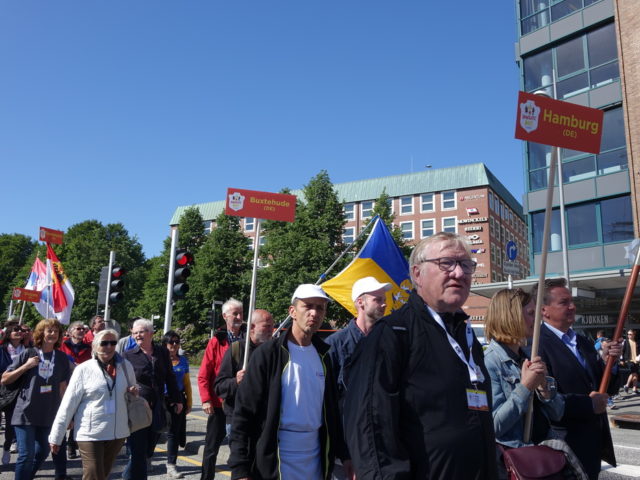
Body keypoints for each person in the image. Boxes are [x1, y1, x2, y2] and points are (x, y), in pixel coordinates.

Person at [344, 232, 497, 479]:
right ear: (417, 274)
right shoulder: (392, 335)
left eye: (466, 264)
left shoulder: (466, 338)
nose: (459, 273)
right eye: (447, 263)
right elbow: (371, 430)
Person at [229, 284, 352, 480]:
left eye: (320, 308)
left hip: (316, 462)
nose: (314, 313)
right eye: (308, 306)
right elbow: (244, 413)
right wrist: (240, 469)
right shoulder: (268, 355)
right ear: (292, 311)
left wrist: (345, 455)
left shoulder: (325, 356)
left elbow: (332, 413)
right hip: (276, 462)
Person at [534, 278, 622, 480]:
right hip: (562, 448)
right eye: (564, 302)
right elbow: (547, 402)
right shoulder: (537, 345)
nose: (572, 306)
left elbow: (606, 388)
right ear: (544, 310)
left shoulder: (583, 342)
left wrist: (610, 363)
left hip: (591, 445)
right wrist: (589, 404)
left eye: (572, 301)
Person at [484, 288, 564, 476]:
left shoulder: (529, 356)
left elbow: (558, 412)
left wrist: (544, 388)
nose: (537, 319)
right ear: (510, 317)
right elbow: (493, 427)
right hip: (514, 462)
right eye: (530, 313)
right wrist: (525, 387)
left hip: (541, 455)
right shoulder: (490, 363)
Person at [48, 329, 138, 480]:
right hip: (90, 433)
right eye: (104, 343)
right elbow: (68, 404)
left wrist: (133, 391)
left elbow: (133, 390)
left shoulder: (125, 366)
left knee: (102, 475)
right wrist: (56, 436)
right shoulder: (83, 369)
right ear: (95, 346)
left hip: (118, 433)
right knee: (93, 474)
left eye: (113, 343)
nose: (109, 346)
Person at [1, 319, 72, 480]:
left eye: (56, 331)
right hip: (25, 412)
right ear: (41, 333)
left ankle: (27, 476)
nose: (53, 334)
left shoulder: (61, 358)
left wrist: (68, 414)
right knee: (26, 455)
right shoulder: (29, 353)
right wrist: (26, 366)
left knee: (43, 451)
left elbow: (63, 388)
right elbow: (5, 379)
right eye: (49, 330)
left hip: (49, 413)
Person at [123, 318, 183, 480]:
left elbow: (170, 376)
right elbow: (123, 380)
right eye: (135, 333)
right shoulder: (128, 355)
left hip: (158, 406)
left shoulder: (162, 352)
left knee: (150, 447)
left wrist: (177, 399)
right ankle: (129, 476)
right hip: (138, 407)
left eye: (141, 332)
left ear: (151, 333)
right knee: (138, 450)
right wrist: (130, 390)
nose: (137, 335)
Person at [198, 298, 244, 480]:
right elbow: (204, 374)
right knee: (211, 447)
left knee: (239, 448)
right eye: (235, 314)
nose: (239, 317)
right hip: (219, 403)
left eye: (241, 313)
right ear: (225, 316)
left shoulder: (247, 339)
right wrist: (206, 399)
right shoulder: (216, 341)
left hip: (239, 403)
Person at [214, 309, 274, 437]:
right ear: (252, 327)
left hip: (265, 421)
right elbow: (219, 387)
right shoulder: (237, 349)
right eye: (267, 326)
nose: (271, 330)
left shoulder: (273, 351)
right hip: (238, 420)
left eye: (272, 326)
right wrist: (236, 381)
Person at [58, 321, 93, 460]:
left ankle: (72, 444)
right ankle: (58, 442)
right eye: (78, 328)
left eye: (83, 329)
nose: (82, 331)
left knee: (78, 415)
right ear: (70, 332)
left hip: (82, 384)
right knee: (65, 414)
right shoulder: (62, 346)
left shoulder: (89, 348)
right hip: (64, 383)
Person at [162, 330, 193, 479]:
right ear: (165, 344)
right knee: (155, 431)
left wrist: (189, 402)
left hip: (178, 399)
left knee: (173, 433)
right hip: (161, 399)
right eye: (171, 342)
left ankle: (171, 465)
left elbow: (187, 383)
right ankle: (147, 458)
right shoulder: (159, 359)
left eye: (177, 342)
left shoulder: (183, 361)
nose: (174, 345)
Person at [0, 320, 26, 465]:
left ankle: (7, 446)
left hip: (17, 392)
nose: (19, 332)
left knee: (11, 424)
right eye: (16, 330)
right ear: (9, 333)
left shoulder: (27, 350)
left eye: (21, 330)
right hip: (2, 390)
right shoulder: (2, 350)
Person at [622, 329, 639, 394]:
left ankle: (634, 389)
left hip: (636, 360)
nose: (629, 335)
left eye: (630, 334)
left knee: (635, 374)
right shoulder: (625, 342)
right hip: (629, 360)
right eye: (628, 334)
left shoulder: (637, 342)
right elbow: (622, 351)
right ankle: (626, 385)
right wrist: (622, 360)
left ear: (634, 335)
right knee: (633, 372)